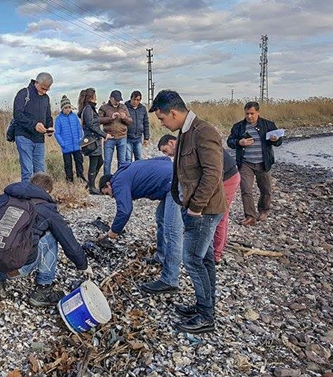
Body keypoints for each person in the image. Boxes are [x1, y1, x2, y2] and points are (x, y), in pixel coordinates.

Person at [149, 90, 226, 334]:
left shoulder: (204, 132)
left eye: (162, 119)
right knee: (203, 258)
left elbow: (213, 174)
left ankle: (206, 315)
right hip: (194, 207)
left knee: (192, 259)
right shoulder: (184, 132)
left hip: (203, 211)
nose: (162, 124)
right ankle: (205, 305)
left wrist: (195, 207)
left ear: (173, 112)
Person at [0, 173, 92, 307]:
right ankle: (44, 289)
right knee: (51, 236)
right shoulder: (46, 208)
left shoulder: (4, 198)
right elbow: (68, 241)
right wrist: (83, 265)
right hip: (14, 270)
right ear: (47, 191)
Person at [98, 158, 183, 294]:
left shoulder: (118, 182)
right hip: (172, 178)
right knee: (160, 218)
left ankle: (170, 280)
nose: (111, 197)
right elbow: (165, 159)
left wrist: (114, 231)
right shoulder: (126, 171)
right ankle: (161, 257)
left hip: (174, 185)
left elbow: (125, 210)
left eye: (108, 193)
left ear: (108, 184)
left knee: (172, 232)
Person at [159, 134, 241, 264]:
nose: (167, 155)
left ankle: (215, 255)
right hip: (218, 176)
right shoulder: (185, 146)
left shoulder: (189, 144)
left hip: (227, 177)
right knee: (210, 213)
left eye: (165, 151)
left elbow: (207, 171)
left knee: (219, 214)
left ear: (171, 142)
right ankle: (206, 248)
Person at [227, 101, 283, 225]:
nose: (249, 116)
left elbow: (279, 142)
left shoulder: (268, 125)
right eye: (247, 114)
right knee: (246, 190)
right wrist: (239, 142)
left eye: (252, 113)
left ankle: (263, 211)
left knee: (266, 190)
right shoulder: (238, 127)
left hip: (264, 163)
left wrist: (276, 140)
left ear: (258, 112)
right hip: (246, 163)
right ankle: (250, 216)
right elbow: (230, 142)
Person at [13, 72, 54, 182]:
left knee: (40, 172)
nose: (44, 91)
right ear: (36, 82)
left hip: (39, 139)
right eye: (43, 88)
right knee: (27, 170)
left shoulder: (46, 98)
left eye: (47, 89)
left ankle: (39, 197)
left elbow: (48, 116)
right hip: (23, 136)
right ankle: (27, 198)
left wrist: (50, 127)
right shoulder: (23, 93)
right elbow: (17, 115)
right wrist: (34, 125)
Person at [78, 88, 106, 195]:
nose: (96, 98)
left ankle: (90, 183)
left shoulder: (88, 108)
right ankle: (92, 187)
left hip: (94, 140)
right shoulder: (88, 109)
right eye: (95, 96)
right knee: (94, 163)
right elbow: (91, 125)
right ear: (91, 97)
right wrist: (104, 134)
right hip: (92, 140)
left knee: (99, 161)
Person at [99, 90, 132, 175]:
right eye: (116, 100)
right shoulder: (103, 107)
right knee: (107, 162)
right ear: (110, 98)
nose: (117, 102)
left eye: (119, 100)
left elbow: (130, 121)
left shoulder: (123, 107)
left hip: (122, 137)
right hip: (109, 138)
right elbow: (98, 120)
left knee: (122, 162)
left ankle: (120, 179)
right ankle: (106, 182)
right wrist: (110, 118)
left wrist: (124, 117)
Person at [54, 95, 85, 183]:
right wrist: (62, 144)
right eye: (65, 108)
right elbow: (57, 133)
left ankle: (80, 178)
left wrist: (80, 139)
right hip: (66, 147)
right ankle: (69, 180)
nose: (68, 109)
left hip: (76, 145)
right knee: (68, 164)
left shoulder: (74, 116)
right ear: (62, 108)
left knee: (79, 161)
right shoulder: (58, 119)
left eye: (69, 107)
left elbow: (79, 128)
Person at [125, 91, 150, 161]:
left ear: (140, 100)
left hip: (138, 138)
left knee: (138, 158)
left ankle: (137, 172)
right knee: (128, 158)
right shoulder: (125, 107)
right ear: (131, 99)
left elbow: (146, 123)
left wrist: (146, 138)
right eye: (134, 99)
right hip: (127, 138)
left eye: (137, 100)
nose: (135, 101)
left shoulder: (143, 109)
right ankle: (129, 172)